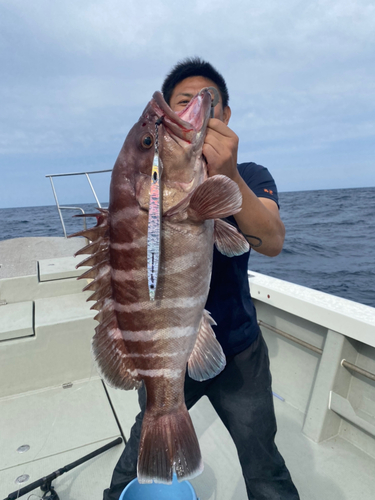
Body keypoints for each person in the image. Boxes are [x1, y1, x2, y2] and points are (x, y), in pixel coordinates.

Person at [103, 58, 300, 500]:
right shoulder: (146, 195)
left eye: (207, 102)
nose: (195, 107)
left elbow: (270, 241)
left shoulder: (250, 176)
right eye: (183, 101)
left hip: (240, 350)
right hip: (163, 358)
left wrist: (227, 175)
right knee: (131, 468)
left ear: (225, 118)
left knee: (265, 468)